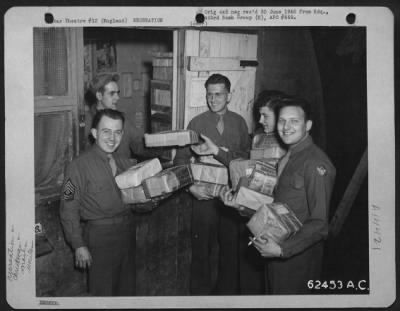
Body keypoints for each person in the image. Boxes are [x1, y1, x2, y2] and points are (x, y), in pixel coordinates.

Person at [174, 73, 251, 295]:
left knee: (231, 253)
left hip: (232, 198)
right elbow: (180, 161)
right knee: (201, 253)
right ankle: (199, 298)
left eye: (218, 94)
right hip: (204, 198)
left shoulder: (239, 123)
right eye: (209, 95)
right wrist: (190, 188)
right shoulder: (196, 123)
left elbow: (246, 159)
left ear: (229, 95)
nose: (213, 99)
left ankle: (226, 298)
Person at [252, 96, 336, 294]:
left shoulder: (315, 163)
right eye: (282, 121)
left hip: (297, 258)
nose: (286, 127)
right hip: (275, 248)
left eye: (294, 121)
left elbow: (320, 224)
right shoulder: (288, 157)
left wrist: (282, 250)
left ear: (308, 125)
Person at [60, 109, 136, 296]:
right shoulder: (78, 166)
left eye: (117, 132)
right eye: (106, 131)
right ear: (94, 134)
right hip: (100, 238)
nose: (112, 138)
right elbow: (68, 208)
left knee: (127, 292)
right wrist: (78, 244)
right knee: (103, 294)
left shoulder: (123, 163)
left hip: (126, 234)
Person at [84, 73, 157, 160]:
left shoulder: (123, 119)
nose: (117, 97)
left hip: (124, 172)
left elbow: (139, 146)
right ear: (99, 96)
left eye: (117, 93)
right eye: (112, 94)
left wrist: (163, 145)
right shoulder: (86, 121)